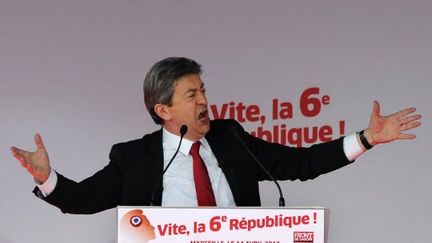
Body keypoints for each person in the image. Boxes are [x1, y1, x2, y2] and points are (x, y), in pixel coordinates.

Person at [11, 57, 422, 214]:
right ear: (164, 110)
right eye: (192, 95)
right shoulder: (133, 158)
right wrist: (47, 177)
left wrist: (366, 138)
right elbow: (83, 199)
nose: (205, 101)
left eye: (203, 90)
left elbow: (303, 164)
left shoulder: (231, 139)